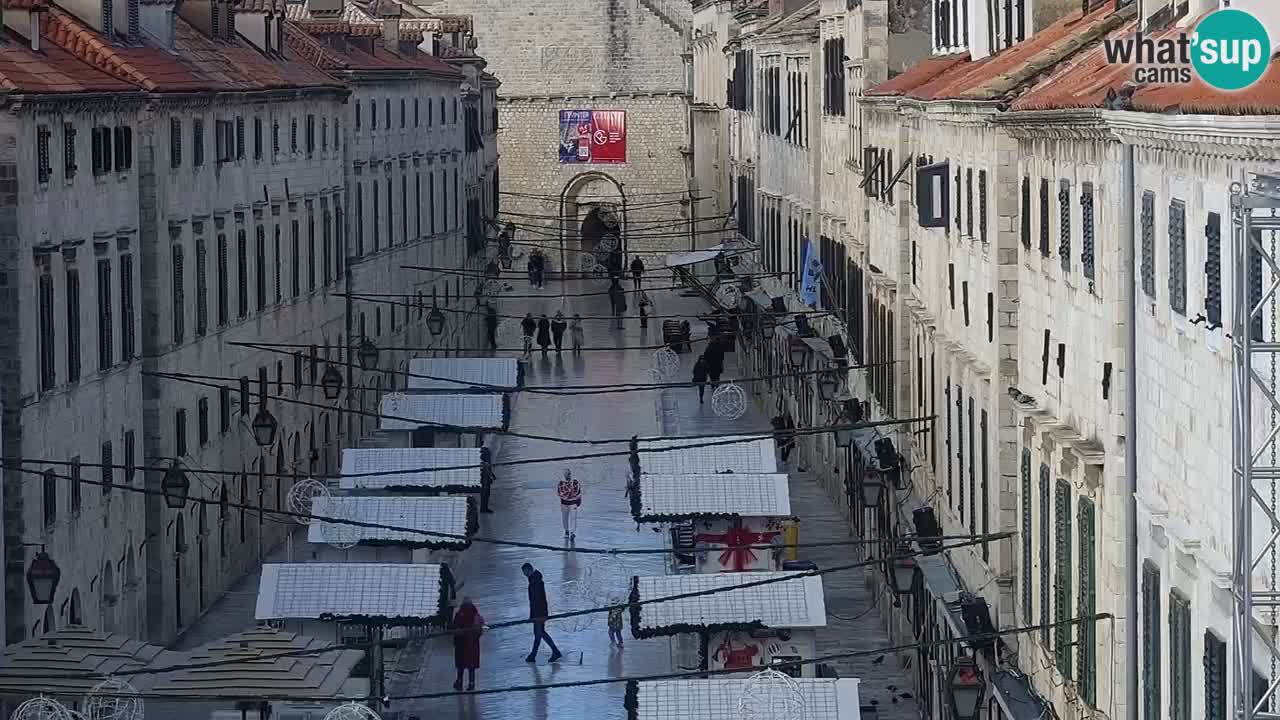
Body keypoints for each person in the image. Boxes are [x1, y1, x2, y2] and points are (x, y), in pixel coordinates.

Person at [522, 563, 562, 663]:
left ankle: (534, 655)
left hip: (539, 613)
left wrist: (534, 616)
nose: (524, 575)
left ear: (529, 570)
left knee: (539, 633)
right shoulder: (535, 579)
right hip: (540, 612)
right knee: (539, 633)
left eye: (525, 572)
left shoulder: (535, 581)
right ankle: (551, 652)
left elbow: (536, 600)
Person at [450, 598, 485, 690]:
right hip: (472, 644)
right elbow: (480, 630)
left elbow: (453, 627)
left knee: (461, 665)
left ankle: (459, 682)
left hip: (461, 645)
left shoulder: (459, 615)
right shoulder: (476, 615)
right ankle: (471, 683)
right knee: (471, 665)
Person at [557, 469, 582, 541]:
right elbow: (559, 493)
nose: (567, 475)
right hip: (564, 503)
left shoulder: (575, 482)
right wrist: (568, 495)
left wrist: (575, 499)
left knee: (573, 518)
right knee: (565, 518)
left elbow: (579, 492)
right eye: (566, 474)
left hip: (572, 503)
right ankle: (567, 531)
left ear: (570, 474)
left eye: (568, 474)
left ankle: (572, 533)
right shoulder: (561, 483)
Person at [479, 446, 495, 513]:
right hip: (485, 479)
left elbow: (488, 469)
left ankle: (484, 507)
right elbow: (487, 470)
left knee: (486, 494)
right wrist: (491, 476)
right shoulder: (484, 462)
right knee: (485, 493)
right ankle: (483, 508)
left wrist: (492, 475)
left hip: (485, 478)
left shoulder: (484, 461)